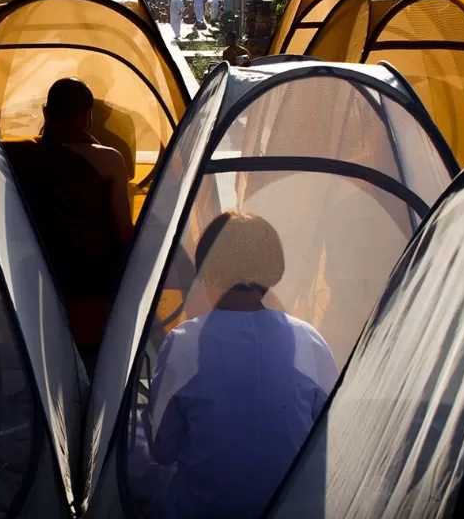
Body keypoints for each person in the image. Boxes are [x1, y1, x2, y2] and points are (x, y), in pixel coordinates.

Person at [144, 212, 338, 519]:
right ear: (273, 272)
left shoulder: (183, 343)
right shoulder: (308, 340)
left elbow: (161, 449)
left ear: (207, 271)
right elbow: (332, 437)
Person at [5, 79, 132, 373]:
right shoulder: (109, 159)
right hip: (93, 287)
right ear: (88, 117)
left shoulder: (11, 154)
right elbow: (124, 231)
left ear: (45, 113)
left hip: (31, 284)